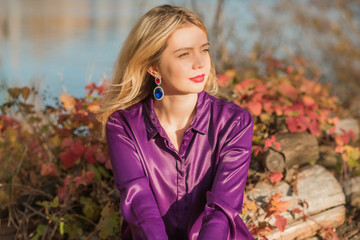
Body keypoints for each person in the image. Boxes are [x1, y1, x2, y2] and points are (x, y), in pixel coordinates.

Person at [97, 4, 255, 240]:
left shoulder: (234, 122)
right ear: (153, 66)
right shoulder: (123, 127)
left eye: (204, 50)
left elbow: (222, 210)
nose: (200, 62)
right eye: (184, 54)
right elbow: (138, 203)